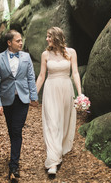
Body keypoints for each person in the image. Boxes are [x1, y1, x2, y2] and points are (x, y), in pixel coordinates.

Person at [0, 30, 38, 180]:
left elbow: (31, 77)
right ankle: (14, 154)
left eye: (21, 40)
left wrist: (34, 96)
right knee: (12, 130)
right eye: (17, 41)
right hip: (7, 99)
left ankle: (14, 166)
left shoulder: (26, 57)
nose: (21, 43)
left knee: (17, 130)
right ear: (9, 43)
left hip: (23, 99)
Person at [35, 27, 82, 175]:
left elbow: (75, 73)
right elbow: (42, 75)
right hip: (51, 90)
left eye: (49, 36)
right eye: (47, 36)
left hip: (66, 89)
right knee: (52, 123)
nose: (47, 39)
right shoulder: (45, 54)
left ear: (57, 37)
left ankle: (58, 150)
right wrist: (33, 94)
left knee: (63, 122)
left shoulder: (71, 52)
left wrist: (80, 94)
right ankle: (53, 162)